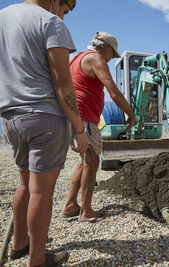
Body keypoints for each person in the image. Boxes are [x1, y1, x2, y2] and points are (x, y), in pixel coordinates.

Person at [0, 0, 89, 266]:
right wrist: (79, 128)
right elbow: (62, 81)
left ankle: (19, 245)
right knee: (41, 192)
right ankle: (37, 260)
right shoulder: (50, 22)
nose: (63, 15)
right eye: (65, 8)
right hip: (45, 116)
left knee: (24, 184)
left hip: (11, 115)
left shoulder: (2, 17)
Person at [62, 32, 137, 222]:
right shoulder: (96, 58)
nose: (112, 58)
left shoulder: (77, 58)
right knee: (92, 162)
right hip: (85, 117)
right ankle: (86, 211)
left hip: (78, 117)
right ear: (106, 47)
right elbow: (113, 92)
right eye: (113, 54)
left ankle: (71, 204)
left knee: (84, 160)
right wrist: (131, 113)